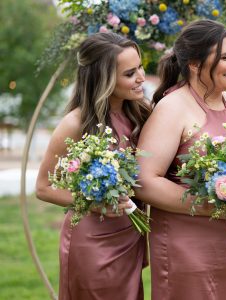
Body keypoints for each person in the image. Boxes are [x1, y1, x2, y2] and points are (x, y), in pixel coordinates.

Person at [134, 19, 226, 300]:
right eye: (225, 57)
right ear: (195, 65)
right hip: (187, 250)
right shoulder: (172, 107)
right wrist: (206, 206)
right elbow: (143, 181)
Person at [35, 32, 151, 299]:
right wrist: (93, 203)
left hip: (129, 237)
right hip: (92, 243)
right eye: (130, 73)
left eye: (140, 67)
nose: (141, 77)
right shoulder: (75, 124)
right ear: (104, 79)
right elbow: (43, 187)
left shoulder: (139, 114)